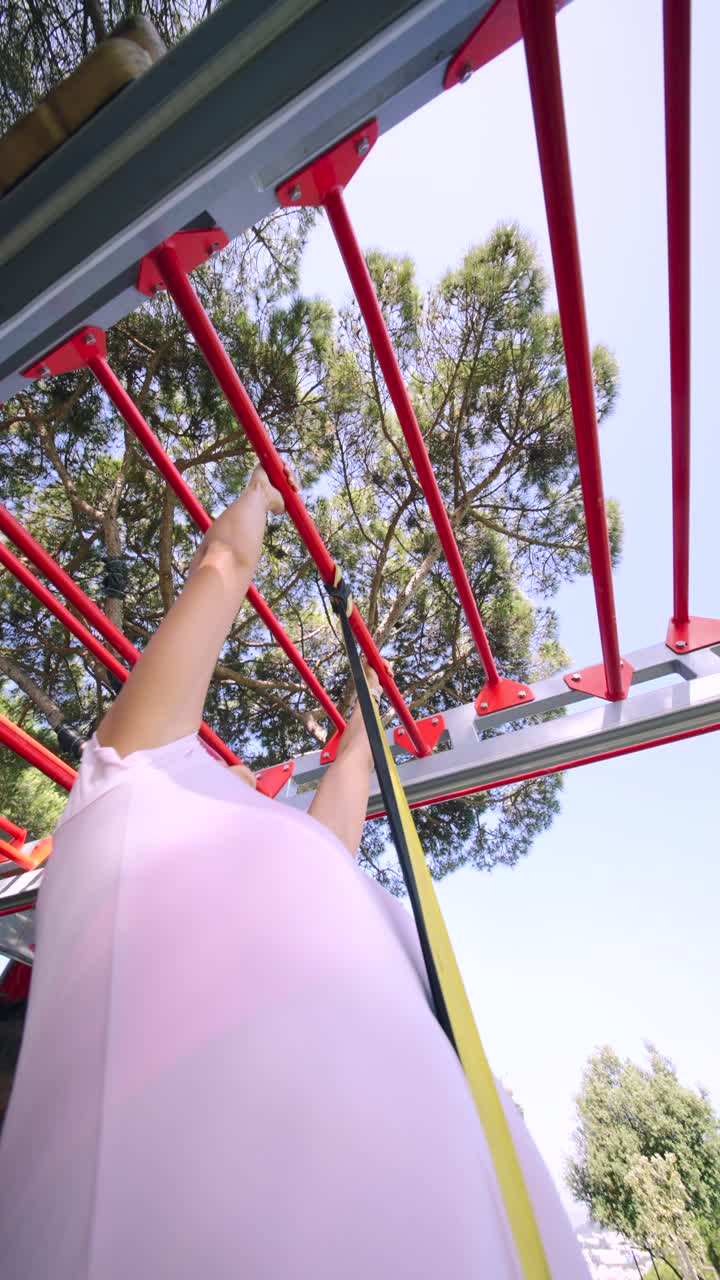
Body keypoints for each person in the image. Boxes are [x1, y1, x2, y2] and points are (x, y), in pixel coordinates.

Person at [0, 466, 588, 1278]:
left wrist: (358, 655)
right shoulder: (132, 791)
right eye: (219, 763)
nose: (244, 771)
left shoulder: (216, 831)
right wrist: (261, 500)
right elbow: (228, 574)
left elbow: (347, 757)